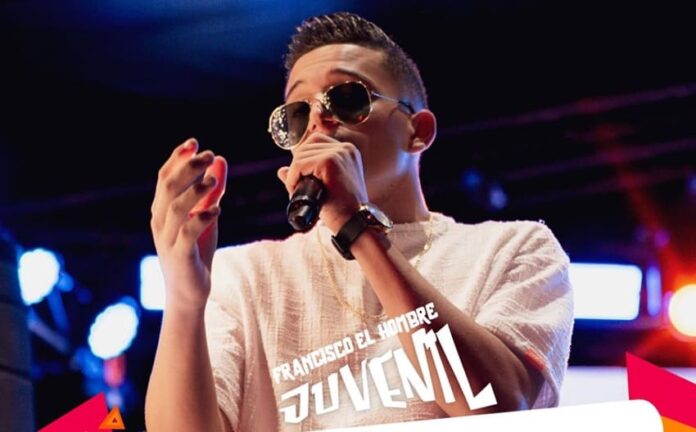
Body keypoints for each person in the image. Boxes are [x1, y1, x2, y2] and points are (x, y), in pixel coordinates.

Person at [144, 11, 574, 432]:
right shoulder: (245, 274)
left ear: (418, 131)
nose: (318, 120)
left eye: (348, 99)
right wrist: (183, 297)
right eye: (297, 114)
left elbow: (497, 409)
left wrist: (356, 226)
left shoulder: (514, 249)